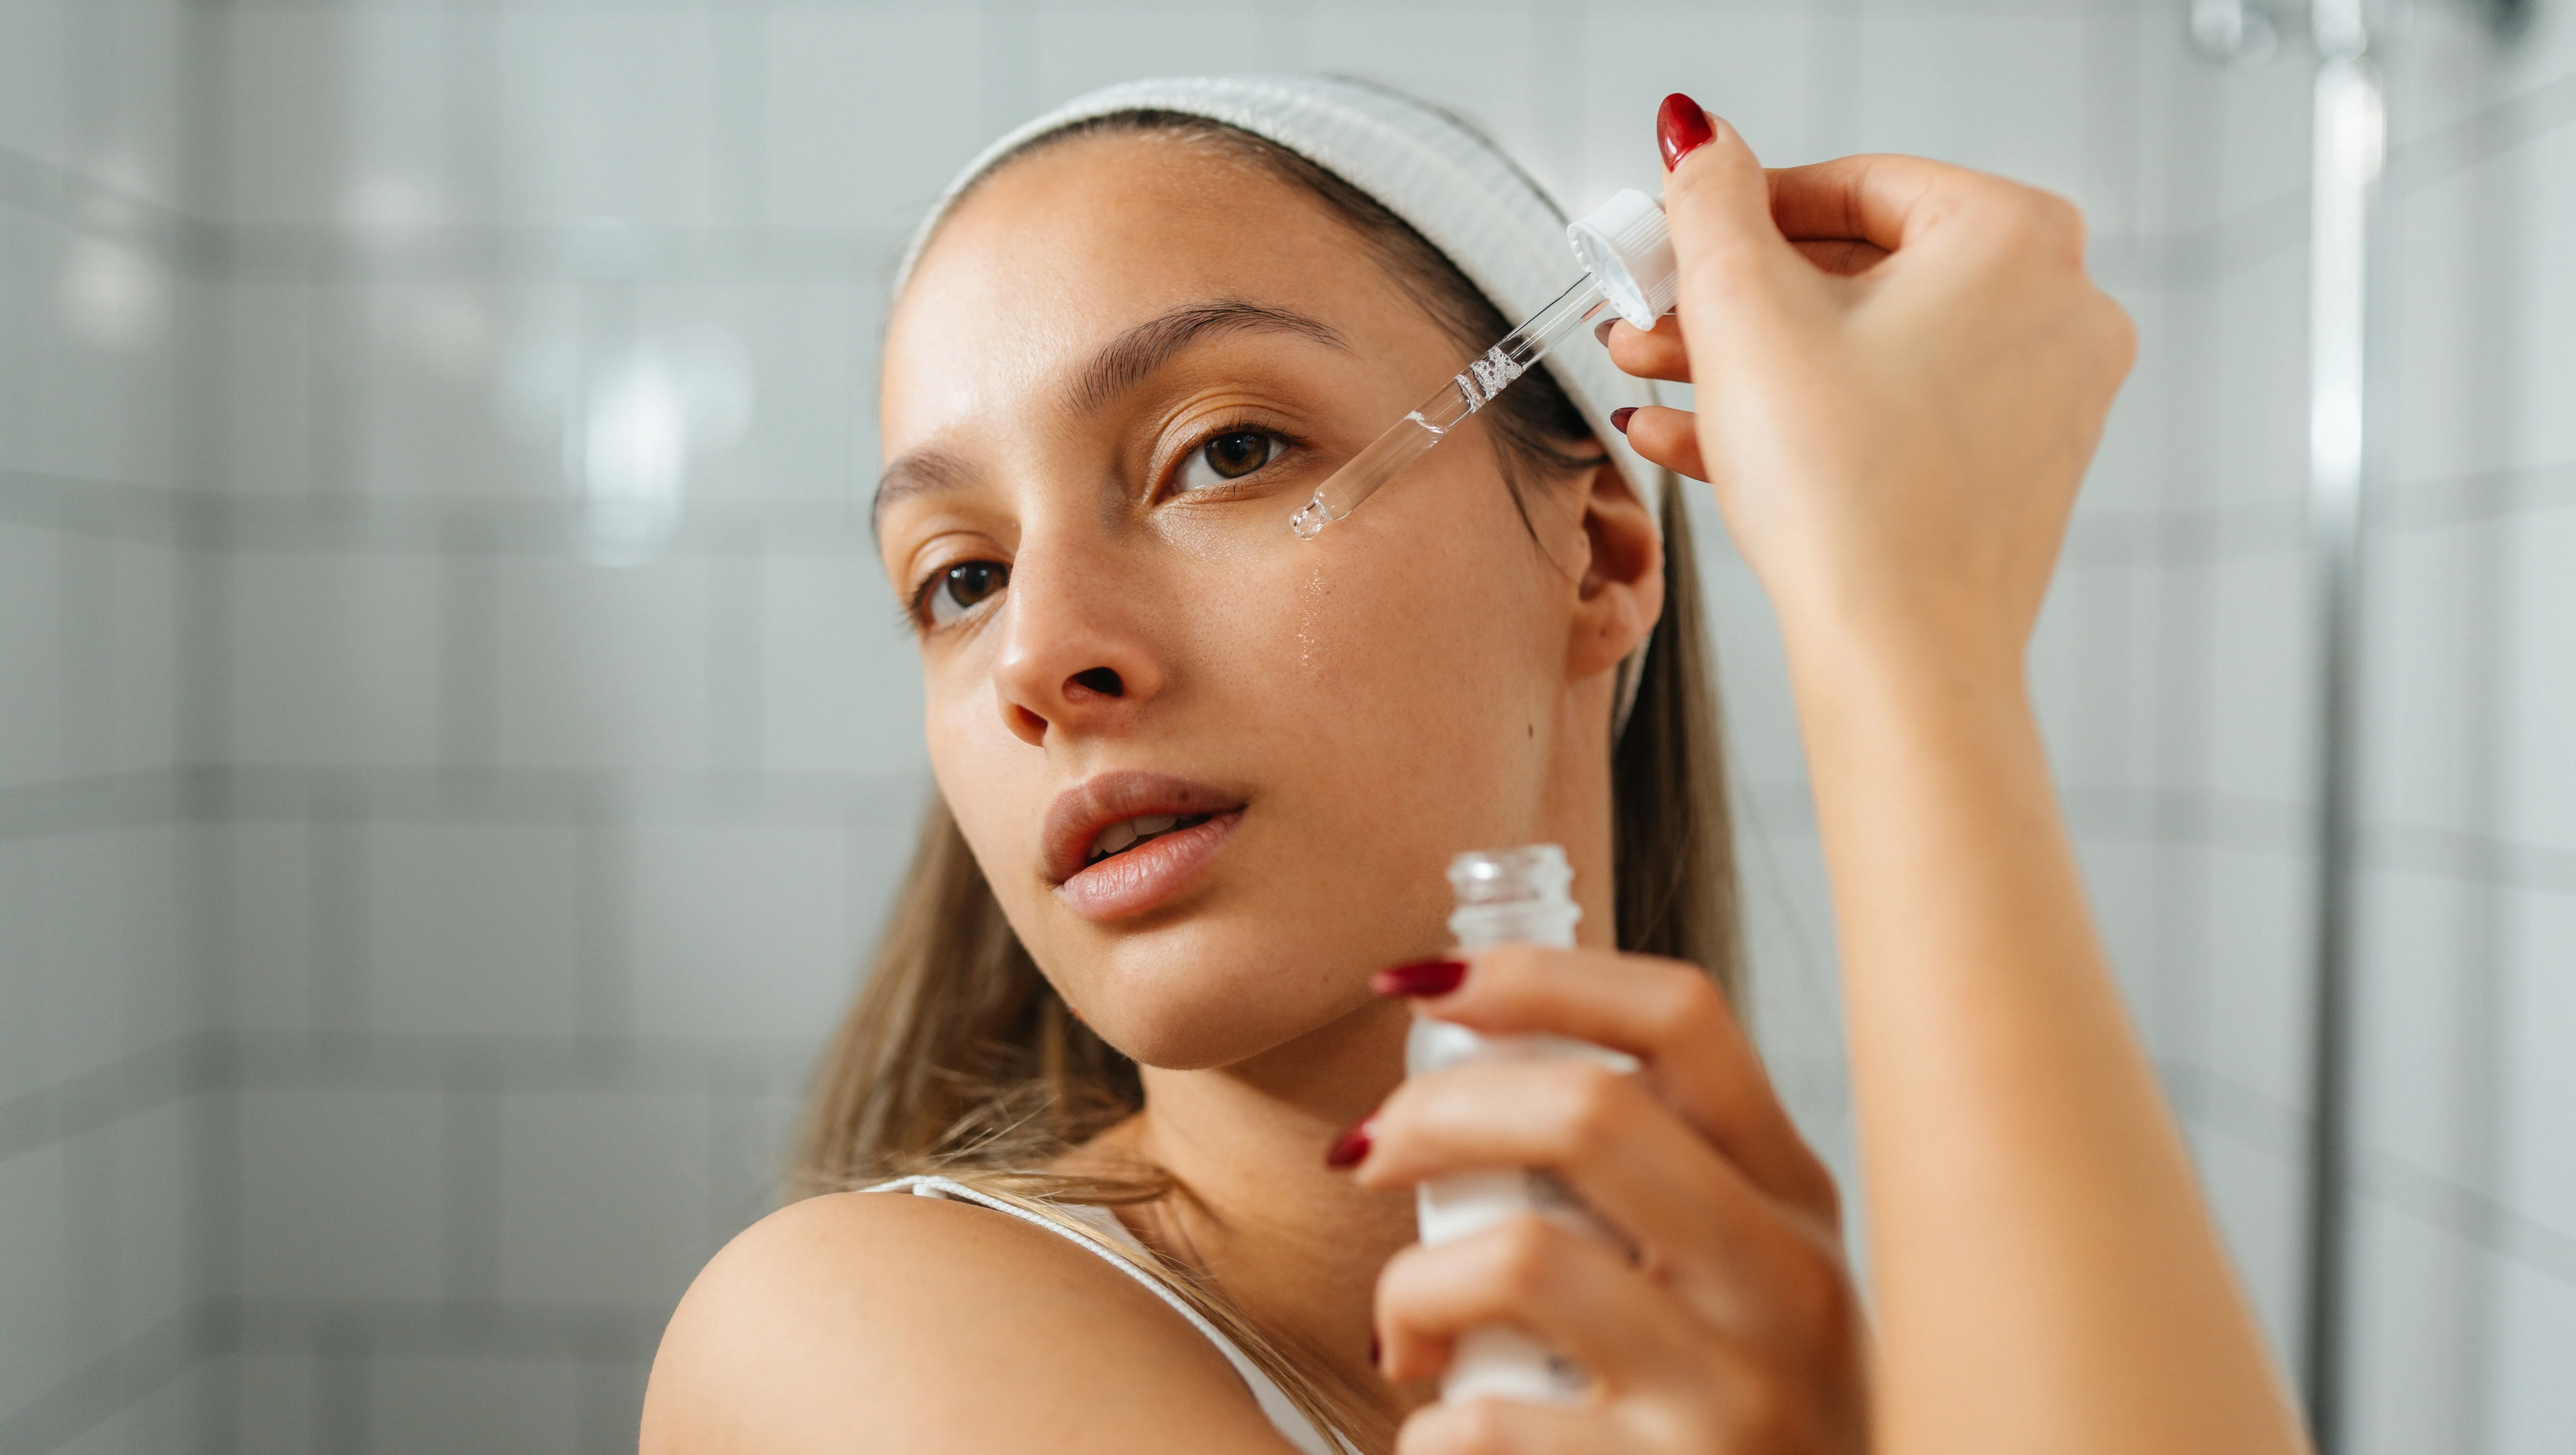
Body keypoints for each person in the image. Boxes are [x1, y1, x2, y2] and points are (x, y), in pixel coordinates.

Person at [640, 79, 2309, 1455]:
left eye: (1223, 452)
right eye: (961, 576)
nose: (1036, 660)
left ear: (1596, 554)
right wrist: (1906, 626)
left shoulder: (1761, 1379)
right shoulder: (842, 1355)